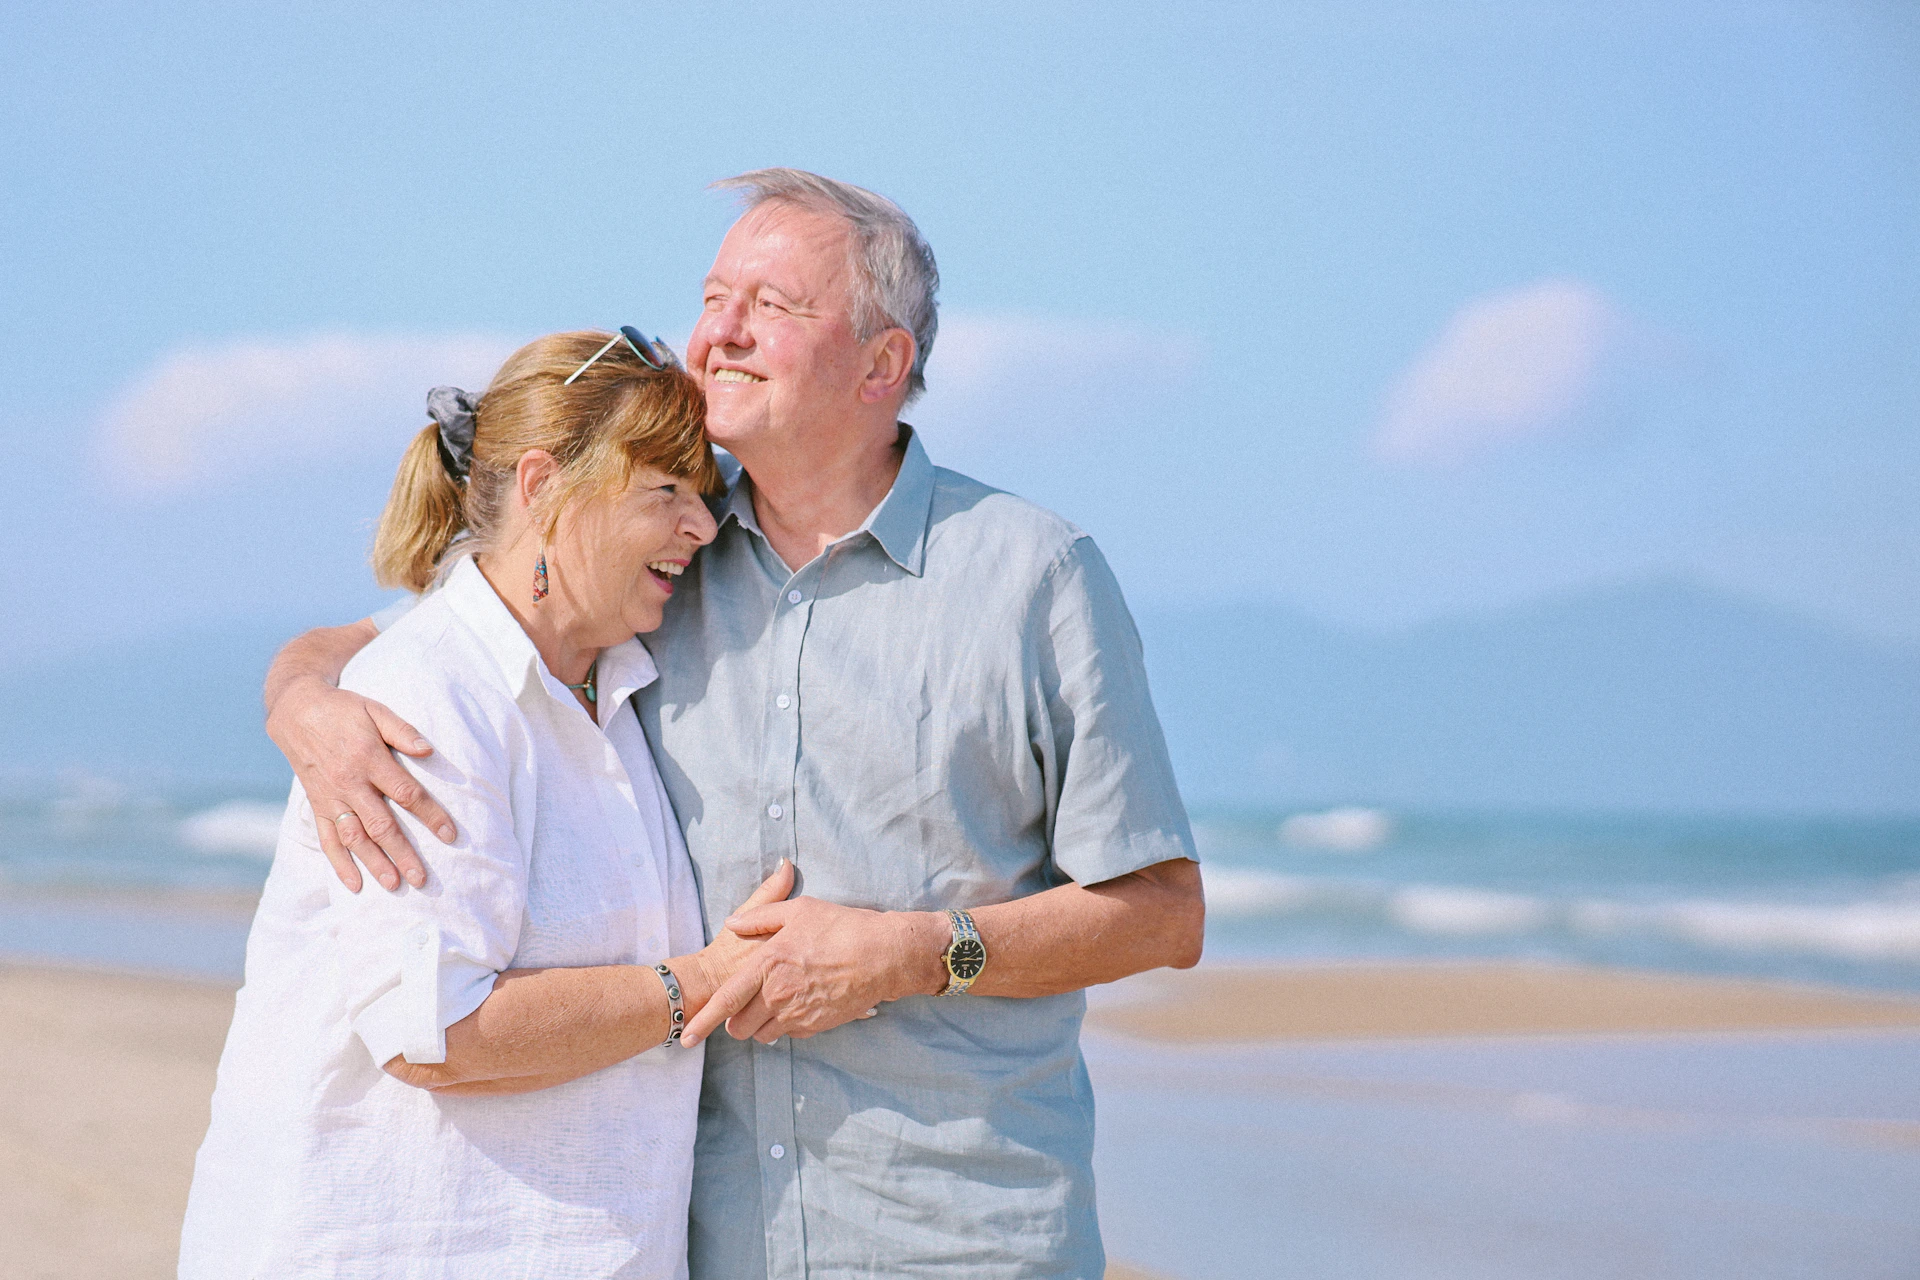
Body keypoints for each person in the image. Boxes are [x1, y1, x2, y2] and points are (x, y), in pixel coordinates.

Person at [264, 170, 1207, 1279]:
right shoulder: (658, 542)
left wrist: (912, 952)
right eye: (714, 298)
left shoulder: (1032, 576)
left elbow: (1162, 913)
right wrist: (304, 702)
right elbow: (441, 635)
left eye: (774, 305)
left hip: (961, 1236)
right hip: (702, 1240)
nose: (720, 333)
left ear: (882, 363)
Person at [181, 329, 797, 1279]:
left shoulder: (614, 680)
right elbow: (436, 1032)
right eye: (666, 492)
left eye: (705, 497)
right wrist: (700, 985)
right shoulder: (429, 696)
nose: (704, 528)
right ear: (543, 485)